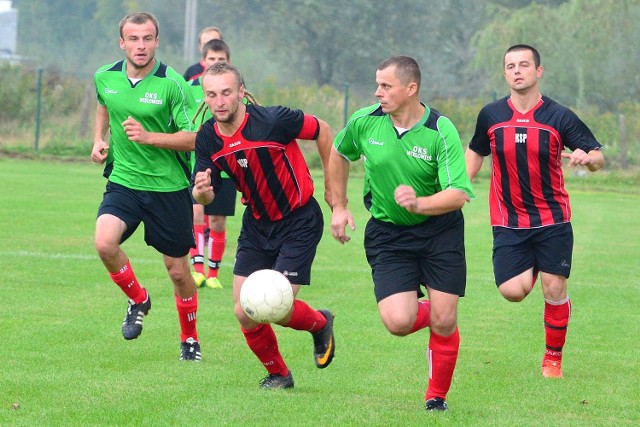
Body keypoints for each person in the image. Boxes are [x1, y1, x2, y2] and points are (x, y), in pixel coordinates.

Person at [329, 56, 474, 412]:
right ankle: (434, 310)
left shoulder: (441, 129)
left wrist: (420, 203)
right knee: (398, 322)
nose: (378, 92)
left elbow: (459, 195)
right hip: (388, 235)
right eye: (377, 85)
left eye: (386, 86)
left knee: (444, 320)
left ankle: (436, 397)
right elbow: (337, 152)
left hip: (440, 233)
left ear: (411, 89)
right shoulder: (365, 122)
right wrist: (339, 205)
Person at [192, 62, 336, 389]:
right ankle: (280, 374)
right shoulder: (207, 139)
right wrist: (201, 192)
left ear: (241, 92)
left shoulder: (273, 121)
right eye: (212, 94)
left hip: (299, 221)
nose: (220, 101)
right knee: (245, 311)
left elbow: (324, 130)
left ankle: (319, 323)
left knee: (277, 307)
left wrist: (332, 187)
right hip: (257, 225)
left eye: (227, 92)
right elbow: (205, 193)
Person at [465, 44, 604, 378]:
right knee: (512, 291)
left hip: (552, 218)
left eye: (524, 65)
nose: (517, 70)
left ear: (538, 71)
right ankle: (540, 267)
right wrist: (462, 184)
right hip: (508, 220)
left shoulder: (559, 116)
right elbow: (476, 151)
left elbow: (598, 156)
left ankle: (553, 358)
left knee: (554, 289)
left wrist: (589, 159)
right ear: (505, 73)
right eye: (510, 66)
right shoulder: (491, 115)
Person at [90, 12, 202, 361]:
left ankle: (190, 339)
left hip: (168, 188)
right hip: (124, 180)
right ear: (122, 42)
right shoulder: (104, 76)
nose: (141, 46)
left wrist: (149, 137)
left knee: (178, 271)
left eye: (147, 38)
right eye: (134, 39)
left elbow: (195, 138)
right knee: (104, 243)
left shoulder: (173, 84)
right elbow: (104, 105)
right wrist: (98, 140)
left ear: (157, 41)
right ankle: (138, 298)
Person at [187, 38, 237, 290]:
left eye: (221, 60)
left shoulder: (236, 96)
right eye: (212, 59)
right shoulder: (191, 90)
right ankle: (197, 270)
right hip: (200, 165)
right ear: (203, 62)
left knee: (217, 220)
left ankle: (214, 272)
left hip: (227, 171)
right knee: (196, 214)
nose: (216, 63)